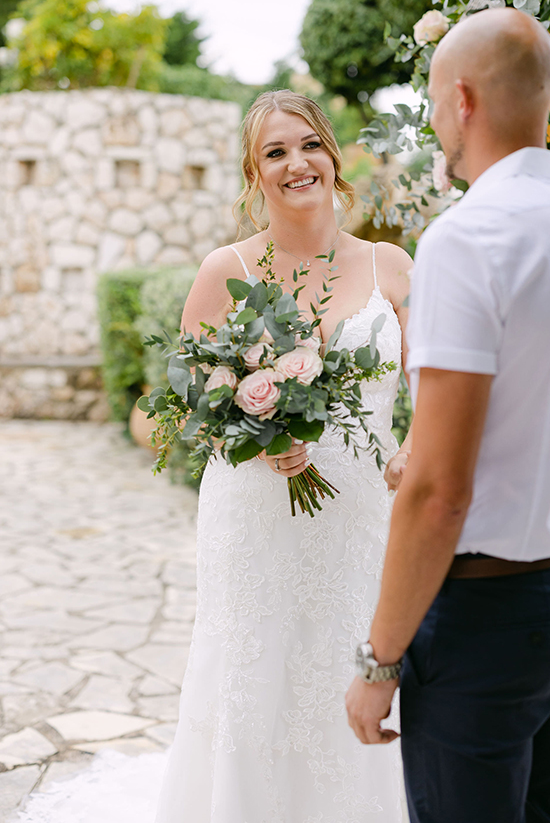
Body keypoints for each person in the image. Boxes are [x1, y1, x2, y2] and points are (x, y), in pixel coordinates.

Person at [345, 7, 550, 822]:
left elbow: (439, 493)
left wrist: (378, 661)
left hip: (490, 618)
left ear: (460, 100)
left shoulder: (466, 240)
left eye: (428, 99)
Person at [153, 90, 414, 822]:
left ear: (332, 155)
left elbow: (435, 390)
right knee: (255, 671)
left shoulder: (392, 266)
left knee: (348, 665)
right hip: (256, 517)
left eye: (307, 145)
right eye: (274, 152)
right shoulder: (224, 270)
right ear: (254, 174)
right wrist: (257, 434)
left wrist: (415, 452)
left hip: (364, 515)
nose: (296, 163)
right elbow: (198, 398)